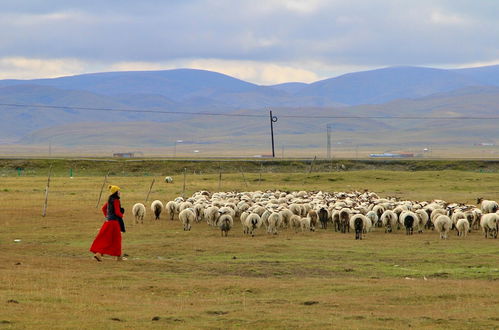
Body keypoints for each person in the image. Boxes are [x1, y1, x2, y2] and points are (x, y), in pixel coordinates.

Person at [90, 185, 126, 261]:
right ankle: (118, 257)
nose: (120, 192)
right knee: (117, 239)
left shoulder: (110, 199)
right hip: (114, 223)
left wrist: (108, 216)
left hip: (108, 222)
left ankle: (99, 254)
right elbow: (117, 212)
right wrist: (122, 214)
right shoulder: (116, 200)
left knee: (105, 238)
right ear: (116, 192)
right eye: (119, 191)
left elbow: (103, 208)